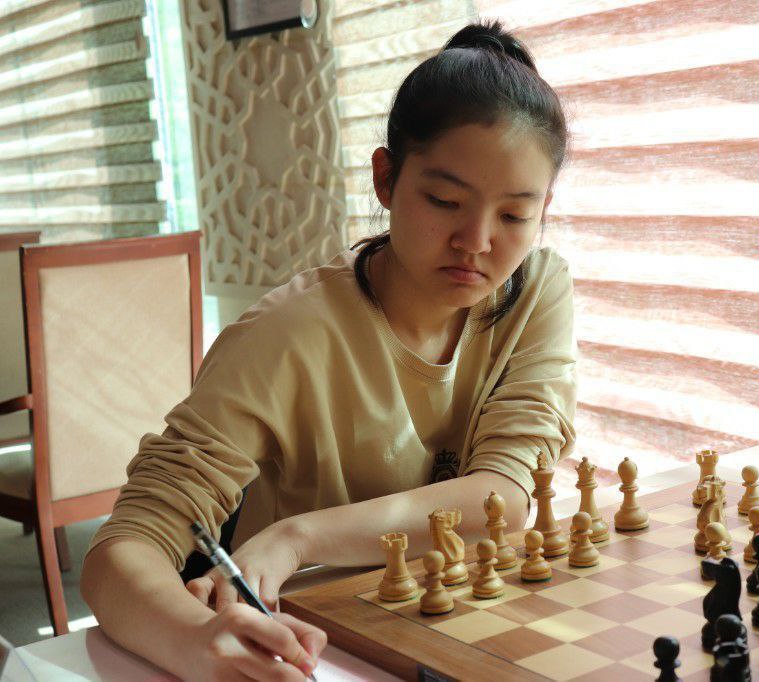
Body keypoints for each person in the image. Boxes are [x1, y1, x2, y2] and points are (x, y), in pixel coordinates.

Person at [80, 20, 575, 681]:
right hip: (320, 647)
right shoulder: (287, 333)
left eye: (515, 215)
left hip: (465, 628)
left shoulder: (536, 290)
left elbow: (504, 498)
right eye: (444, 200)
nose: (477, 241)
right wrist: (195, 641)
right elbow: (124, 548)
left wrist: (297, 535)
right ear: (385, 178)